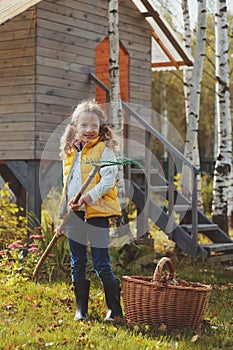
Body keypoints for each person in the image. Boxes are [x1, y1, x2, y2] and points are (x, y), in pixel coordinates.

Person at [54, 99, 123, 322]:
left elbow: (108, 181)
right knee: (77, 261)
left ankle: (114, 309)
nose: (89, 130)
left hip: (97, 213)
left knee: (101, 261)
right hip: (74, 216)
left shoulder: (105, 150)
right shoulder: (71, 153)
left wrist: (87, 198)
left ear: (101, 127)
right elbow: (67, 188)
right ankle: (80, 310)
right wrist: (62, 219)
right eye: (84, 125)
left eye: (94, 125)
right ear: (75, 127)